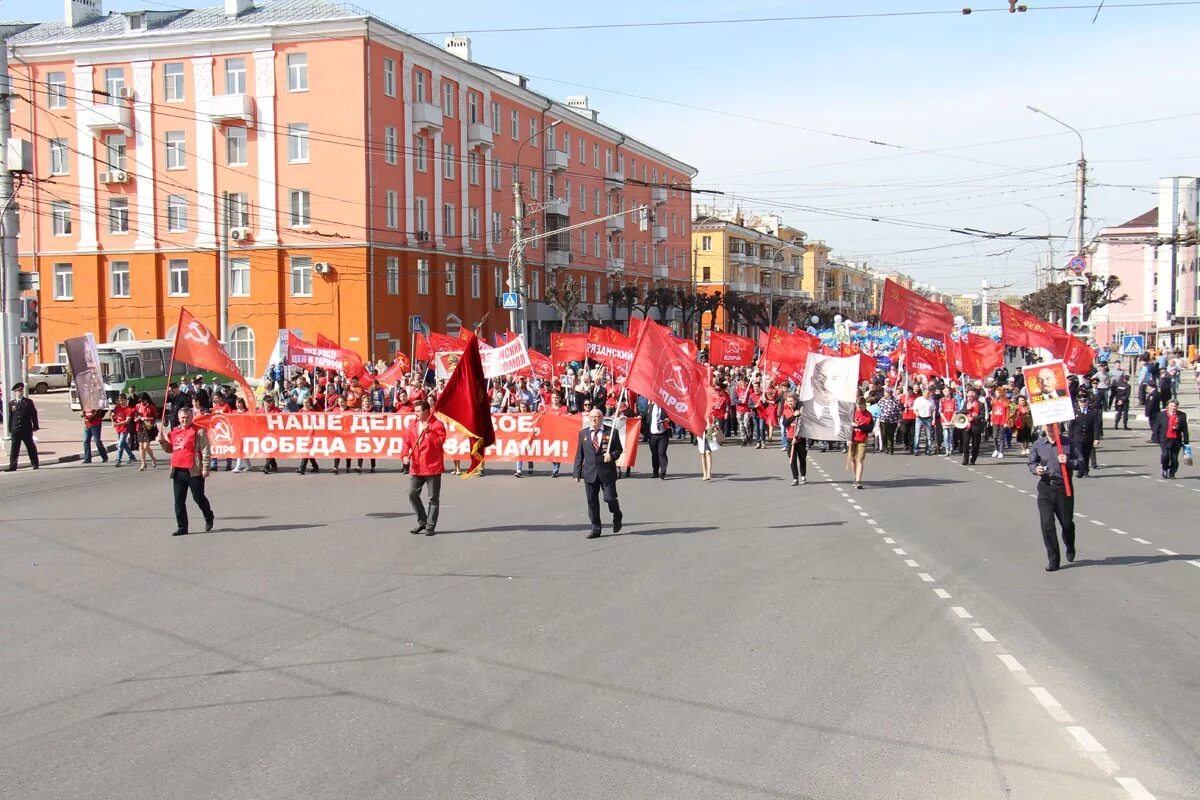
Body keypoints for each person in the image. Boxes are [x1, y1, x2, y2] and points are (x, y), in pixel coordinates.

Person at [1028, 427, 1080, 572]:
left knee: (1067, 524)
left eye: (1053, 424)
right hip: (1045, 488)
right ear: (1044, 427)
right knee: (1047, 525)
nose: (1050, 427)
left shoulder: (1069, 443)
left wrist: (1069, 461)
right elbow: (1031, 463)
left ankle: (1070, 545)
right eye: (1047, 425)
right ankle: (1053, 559)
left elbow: (1081, 462)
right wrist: (1035, 469)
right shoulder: (1039, 444)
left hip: (1064, 488)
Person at [157, 406, 214, 536]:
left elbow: (205, 450)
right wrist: (162, 442)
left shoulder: (199, 431)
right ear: (179, 418)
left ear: (192, 417)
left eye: (187, 417)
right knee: (179, 501)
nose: (185, 420)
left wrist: (205, 467)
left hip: (193, 471)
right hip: (178, 470)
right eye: (182, 418)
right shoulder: (175, 431)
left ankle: (208, 515)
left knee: (198, 498)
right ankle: (182, 527)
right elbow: (170, 449)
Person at [573, 408, 624, 539]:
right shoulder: (583, 434)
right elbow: (580, 454)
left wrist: (612, 456)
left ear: (601, 418)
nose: (593, 419)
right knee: (592, 502)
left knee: (610, 498)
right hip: (590, 472)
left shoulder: (611, 431)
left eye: (596, 417)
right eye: (591, 417)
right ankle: (596, 528)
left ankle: (617, 514)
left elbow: (619, 449)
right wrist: (577, 473)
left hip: (606, 472)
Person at [401, 400, 446, 536]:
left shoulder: (437, 425)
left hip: (432, 467)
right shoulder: (412, 424)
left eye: (418, 411)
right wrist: (404, 455)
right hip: (417, 466)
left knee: (433, 498)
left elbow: (440, 443)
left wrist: (430, 432)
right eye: (415, 411)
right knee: (412, 493)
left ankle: (430, 526)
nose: (416, 414)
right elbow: (406, 441)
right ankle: (422, 521)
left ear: (427, 411)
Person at [1151, 399, 1190, 479]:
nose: (1173, 408)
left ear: (1177, 407)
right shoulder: (1162, 415)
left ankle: (1172, 473)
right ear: (1168, 406)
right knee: (1165, 456)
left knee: (1174, 459)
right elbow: (1156, 427)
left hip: (1176, 440)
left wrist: (1186, 442)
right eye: (1171, 406)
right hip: (1164, 439)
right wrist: (1155, 437)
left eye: (1175, 406)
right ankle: (1165, 469)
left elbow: (1185, 430)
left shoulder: (1182, 415)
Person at [5, 382, 39, 471]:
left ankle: (35, 463)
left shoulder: (28, 402)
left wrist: (35, 426)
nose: (20, 392)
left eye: (21, 390)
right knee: (14, 449)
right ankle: (12, 466)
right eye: (18, 391)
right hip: (16, 430)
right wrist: (10, 428)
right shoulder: (12, 403)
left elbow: (33, 415)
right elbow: (11, 417)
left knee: (30, 447)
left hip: (26, 429)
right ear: (15, 392)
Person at [1068, 392, 1102, 478]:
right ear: (1078, 402)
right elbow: (1071, 427)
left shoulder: (1093, 412)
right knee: (1080, 454)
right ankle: (1080, 471)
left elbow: (1096, 426)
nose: (1083, 403)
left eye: (1085, 401)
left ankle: (1086, 470)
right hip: (1077, 438)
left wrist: (1096, 438)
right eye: (1081, 401)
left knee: (1086, 455)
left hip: (1088, 437)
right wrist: (1069, 438)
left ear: (1088, 401)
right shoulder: (1075, 412)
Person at [781, 393, 807, 485]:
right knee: (792, 459)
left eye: (792, 401)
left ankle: (803, 475)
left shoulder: (801, 410)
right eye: (788, 401)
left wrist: (799, 414)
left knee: (802, 458)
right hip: (790, 438)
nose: (790, 403)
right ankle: (795, 478)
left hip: (800, 438)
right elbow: (785, 423)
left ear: (796, 401)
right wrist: (794, 416)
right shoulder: (786, 410)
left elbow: (805, 424)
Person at [849, 396, 873, 489]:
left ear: (865, 406)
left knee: (860, 459)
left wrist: (859, 426)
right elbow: (846, 427)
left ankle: (858, 480)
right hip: (852, 438)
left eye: (862, 407)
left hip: (862, 439)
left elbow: (870, 429)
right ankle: (855, 476)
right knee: (852, 459)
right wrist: (847, 439)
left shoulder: (868, 415)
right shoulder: (852, 413)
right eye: (858, 407)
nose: (860, 409)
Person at [111, 395, 137, 466]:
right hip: (118, 428)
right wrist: (112, 418)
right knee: (123, 444)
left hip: (125, 429)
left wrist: (117, 424)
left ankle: (118, 461)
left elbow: (127, 421)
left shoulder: (129, 409)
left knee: (120, 444)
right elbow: (113, 415)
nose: (121, 402)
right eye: (120, 400)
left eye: (122, 400)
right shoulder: (117, 407)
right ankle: (132, 456)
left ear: (126, 400)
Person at [647, 401, 671, 479]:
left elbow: (672, 418)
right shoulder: (650, 407)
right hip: (653, 435)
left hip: (663, 435)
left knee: (662, 453)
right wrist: (639, 417)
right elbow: (645, 417)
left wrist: (668, 420)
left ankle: (663, 472)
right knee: (654, 454)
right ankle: (655, 472)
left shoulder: (666, 408)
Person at [697, 407, 720, 481]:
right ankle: (704, 473)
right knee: (703, 453)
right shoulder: (699, 412)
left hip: (709, 432)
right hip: (701, 433)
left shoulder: (712, 413)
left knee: (708, 452)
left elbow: (716, 423)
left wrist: (715, 428)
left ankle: (709, 473)